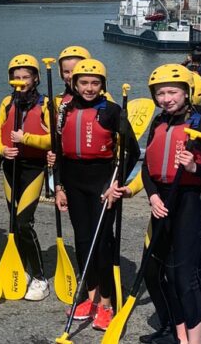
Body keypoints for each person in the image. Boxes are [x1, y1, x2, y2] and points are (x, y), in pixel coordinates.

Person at [110, 64, 201, 344]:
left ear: (187, 93)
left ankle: (194, 340)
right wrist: (150, 195)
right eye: (160, 93)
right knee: (153, 271)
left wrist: (194, 168)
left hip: (189, 204)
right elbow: (150, 169)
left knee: (183, 279)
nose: (166, 98)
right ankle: (178, 335)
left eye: (172, 92)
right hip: (161, 201)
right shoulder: (158, 123)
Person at [50, 58, 139, 331]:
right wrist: (59, 187)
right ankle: (90, 299)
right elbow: (60, 153)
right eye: (84, 83)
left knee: (102, 244)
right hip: (74, 182)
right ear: (74, 84)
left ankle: (107, 304)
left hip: (103, 183)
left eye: (95, 83)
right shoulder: (64, 109)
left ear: (102, 85)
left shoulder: (112, 111)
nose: (89, 88)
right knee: (83, 240)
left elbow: (132, 152)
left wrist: (117, 184)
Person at [0, 54, 52, 300]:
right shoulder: (7, 102)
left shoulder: (46, 104)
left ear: (36, 78)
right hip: (10, 166)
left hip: (33, 168)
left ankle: (39, 277)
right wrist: (3, 149)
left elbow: (53, 140)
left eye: (26, 77)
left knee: (23, 222)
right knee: (13, 224)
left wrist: (25, 139)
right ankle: (22, 267)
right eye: (16, 78)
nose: (21, 82)